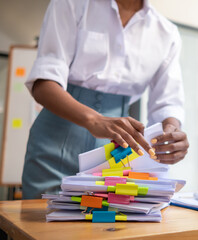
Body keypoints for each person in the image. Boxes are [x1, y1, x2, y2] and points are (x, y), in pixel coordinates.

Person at [22, 0, 189, 199]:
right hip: (55, 143)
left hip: (117, 152)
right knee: (44, 222)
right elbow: (43, 83)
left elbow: (168, 103)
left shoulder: (166, 32)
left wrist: (171, 133)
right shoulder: (72, 4)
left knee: (109, 224)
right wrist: (94, 120)